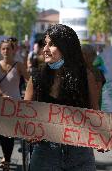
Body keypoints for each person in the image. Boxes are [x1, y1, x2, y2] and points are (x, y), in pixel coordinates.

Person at [24, 24, 96, 171]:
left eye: (51, 44)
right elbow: (24, 115)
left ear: (66, 47)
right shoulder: (36, 77)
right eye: (45, 44)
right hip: (45, 152)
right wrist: (29, 132)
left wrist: (101, 138)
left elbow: (96, 113)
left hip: (80, 153)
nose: (45, 49)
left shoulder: (86, 77)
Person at [0, 38, 29, 171]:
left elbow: (28, 80)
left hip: (15, 103)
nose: (6, 51)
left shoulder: (18, 65)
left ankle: (7, 160)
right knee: (1, 134)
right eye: (3, 48)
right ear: (0, 51)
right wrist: (1, 95)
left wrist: (29, 95)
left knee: (9, 134)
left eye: (8, 48)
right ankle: (5, 156)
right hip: (1, 102)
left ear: (13, 50)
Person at [81, 45, 106, 110]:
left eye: (83, 54)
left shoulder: (96, 71)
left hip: (92, 108)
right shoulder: (83, 69)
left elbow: (98, 93)